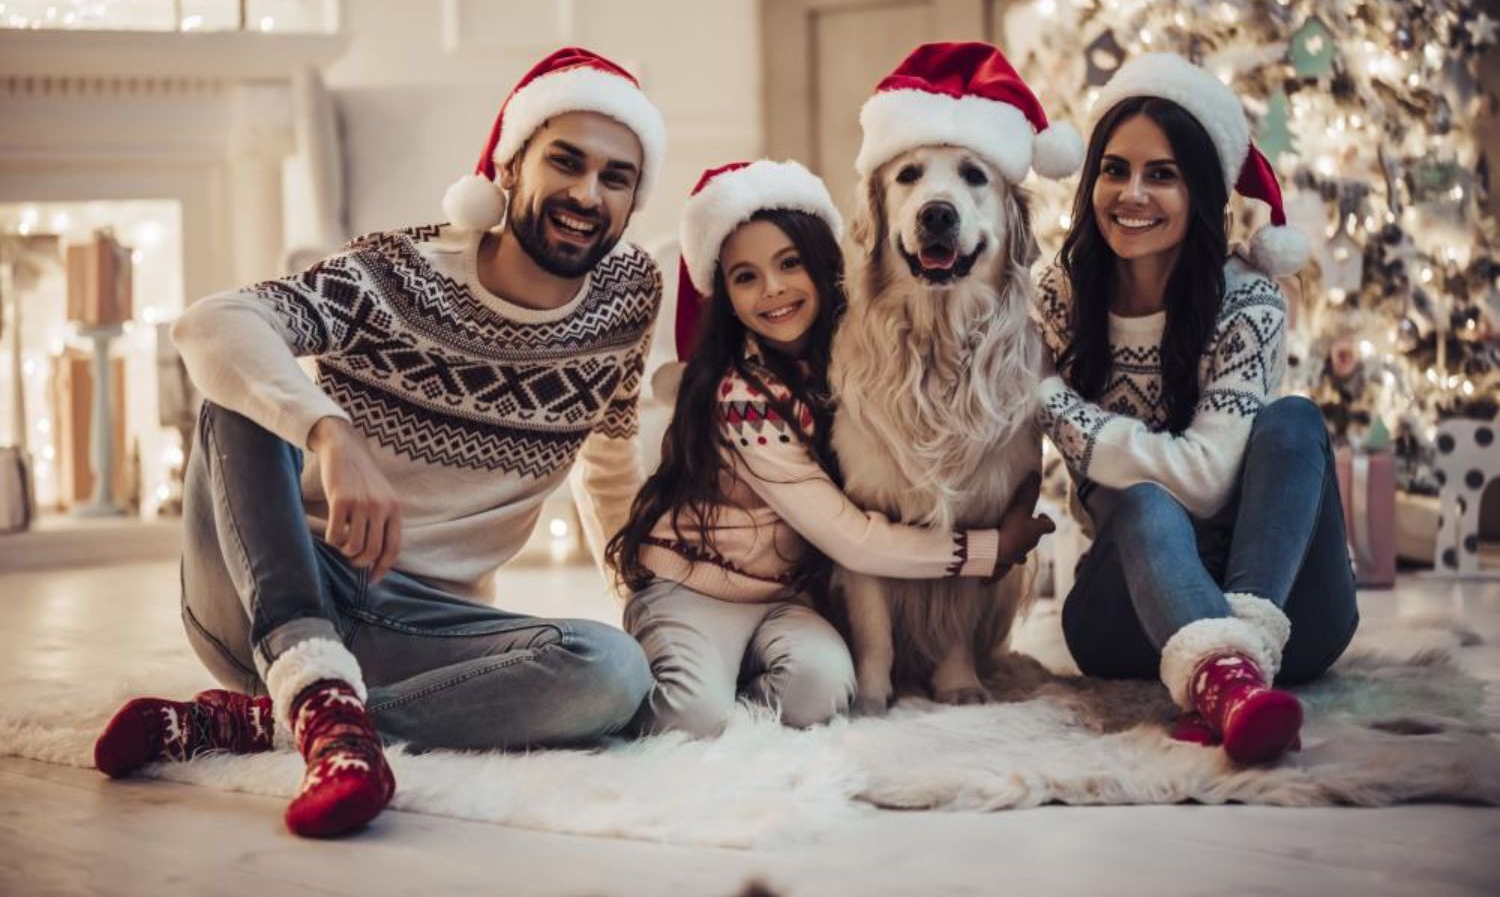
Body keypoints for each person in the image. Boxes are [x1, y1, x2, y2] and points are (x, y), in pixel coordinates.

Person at [92, 47, 668, 837]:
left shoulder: (627, 300)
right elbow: (210, 322)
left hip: (426, 633)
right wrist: (328, 431)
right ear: (509, 170)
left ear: (635, 197)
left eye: (615, 176)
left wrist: (647, 609)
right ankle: (309, 680)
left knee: (612, 673)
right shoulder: (395, 273)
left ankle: (283, 720)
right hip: (272, 590)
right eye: (564, 163)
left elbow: (608, 463)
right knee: (240, 401)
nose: (585, 193)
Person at [606, 159, 1054, 738]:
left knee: (820, 693)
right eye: (745, 277)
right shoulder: (740, 395)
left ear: (823, 266)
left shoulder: (849, 360)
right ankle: (683, 674)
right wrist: (988, 549)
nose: (773, 290)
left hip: (785, 598)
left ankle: (733, 681)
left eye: (790, 264)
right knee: (689, 716)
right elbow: (848, 535)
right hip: (695, 589)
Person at [1033, 52, 1358, 765]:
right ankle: (1228, 686)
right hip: (1127, 618)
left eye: (1163, 174)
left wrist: (1053, 398)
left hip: (1286, 611)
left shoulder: (1247, 301)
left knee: (1294, 422)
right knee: (1144, 506)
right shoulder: (1059, 295)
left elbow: (1210, 479)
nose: (1132, 193)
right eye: (1114, 169)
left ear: (1203, 190)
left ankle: (1232, 671)